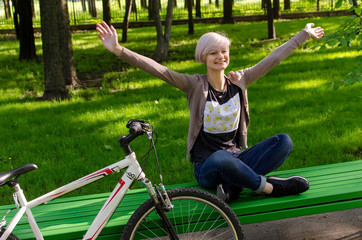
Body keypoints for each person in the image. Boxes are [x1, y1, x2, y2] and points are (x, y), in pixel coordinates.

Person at [96, 21, 324, 202]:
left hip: (237, 158)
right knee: (222, 158)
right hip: (208, 167)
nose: (220, 56)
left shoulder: (240, 80)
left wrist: (303, 34)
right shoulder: (193, 85)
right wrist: (118, 49)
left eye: (223, 51)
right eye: (213, 52)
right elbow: (158, 69)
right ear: (203, 56)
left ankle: (233, 187)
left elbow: (273, 59)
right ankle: (270, 187)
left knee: (283, 141)